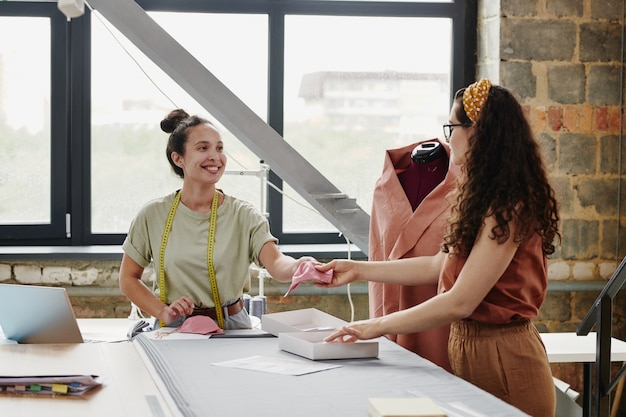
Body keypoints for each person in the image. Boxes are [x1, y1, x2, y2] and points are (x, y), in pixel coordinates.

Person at [317, 79, 560, 417]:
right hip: (472, 351)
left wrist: (376, 326)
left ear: (478, 132)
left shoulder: (509, 207)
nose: (448, 137)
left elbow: (460, 301)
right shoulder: (479, 198)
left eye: (452, 127)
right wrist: (359, 270)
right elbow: (437, 266)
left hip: (506, 360)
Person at [119, 109, 314, 330]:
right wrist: (162, 310)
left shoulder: (244, 215)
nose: (215, 156)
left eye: (219, 148)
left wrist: (298, 265)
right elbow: (128, 278)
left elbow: (277, 264)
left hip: (233, 326)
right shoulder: (152, 215)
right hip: (173, 328)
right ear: (178, 158)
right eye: (203, 148)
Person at [368, 139, 459, 372]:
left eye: (453, 127)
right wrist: (378, 322)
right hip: (394, 306)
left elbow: (443, 267)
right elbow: (379, 251)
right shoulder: (385, 189)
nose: (450, 136)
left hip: (443, 312)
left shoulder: (467, 189)